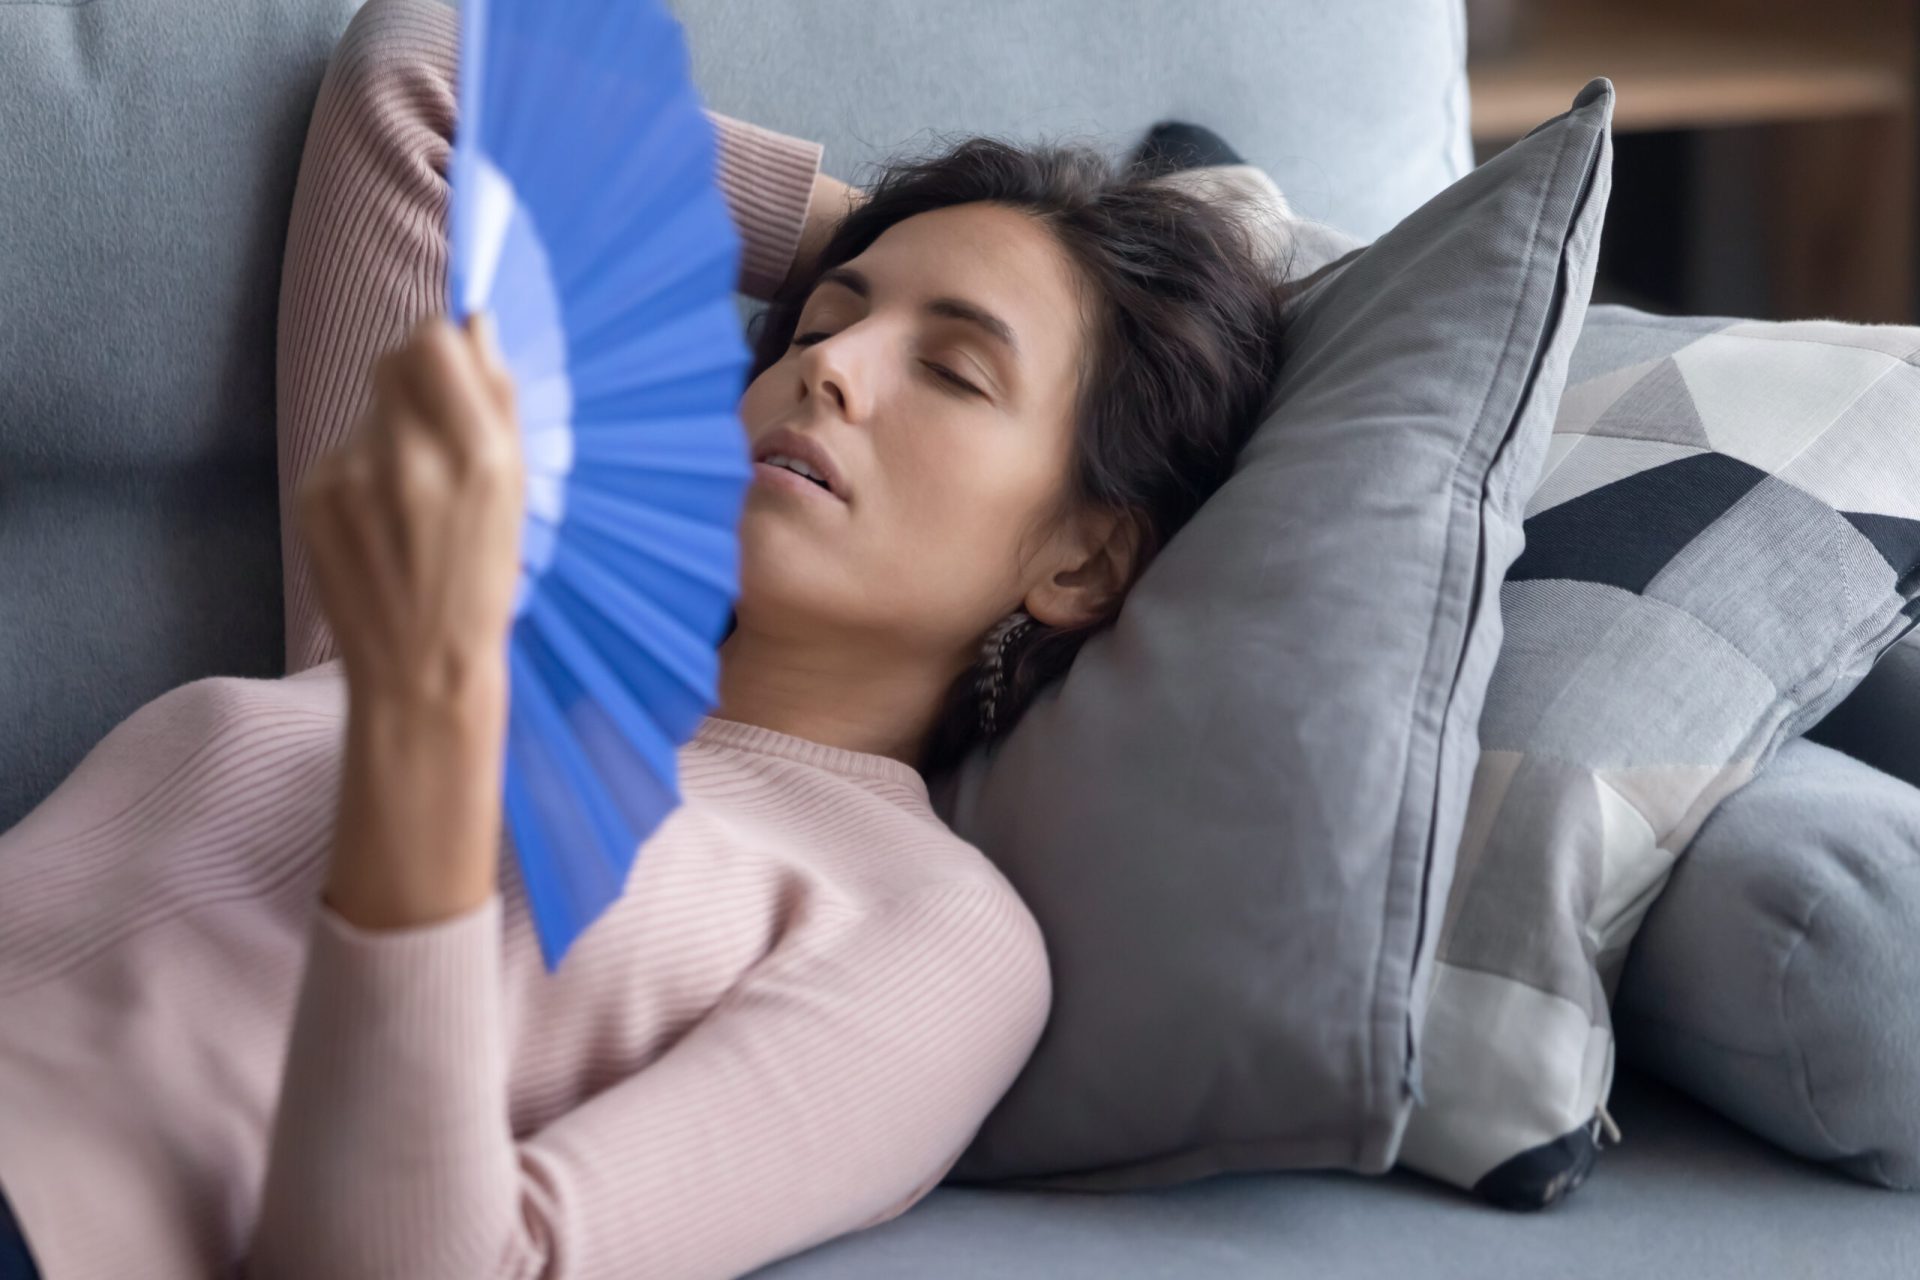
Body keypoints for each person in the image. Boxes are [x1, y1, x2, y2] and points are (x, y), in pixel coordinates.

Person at [0, 0, 1289, 1276]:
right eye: (820, 329)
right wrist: (920, 236)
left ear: (1084, 558)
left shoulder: (935, 930)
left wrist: (424, 748)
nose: (824, 370)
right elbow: (426, 76)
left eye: (954, 370)